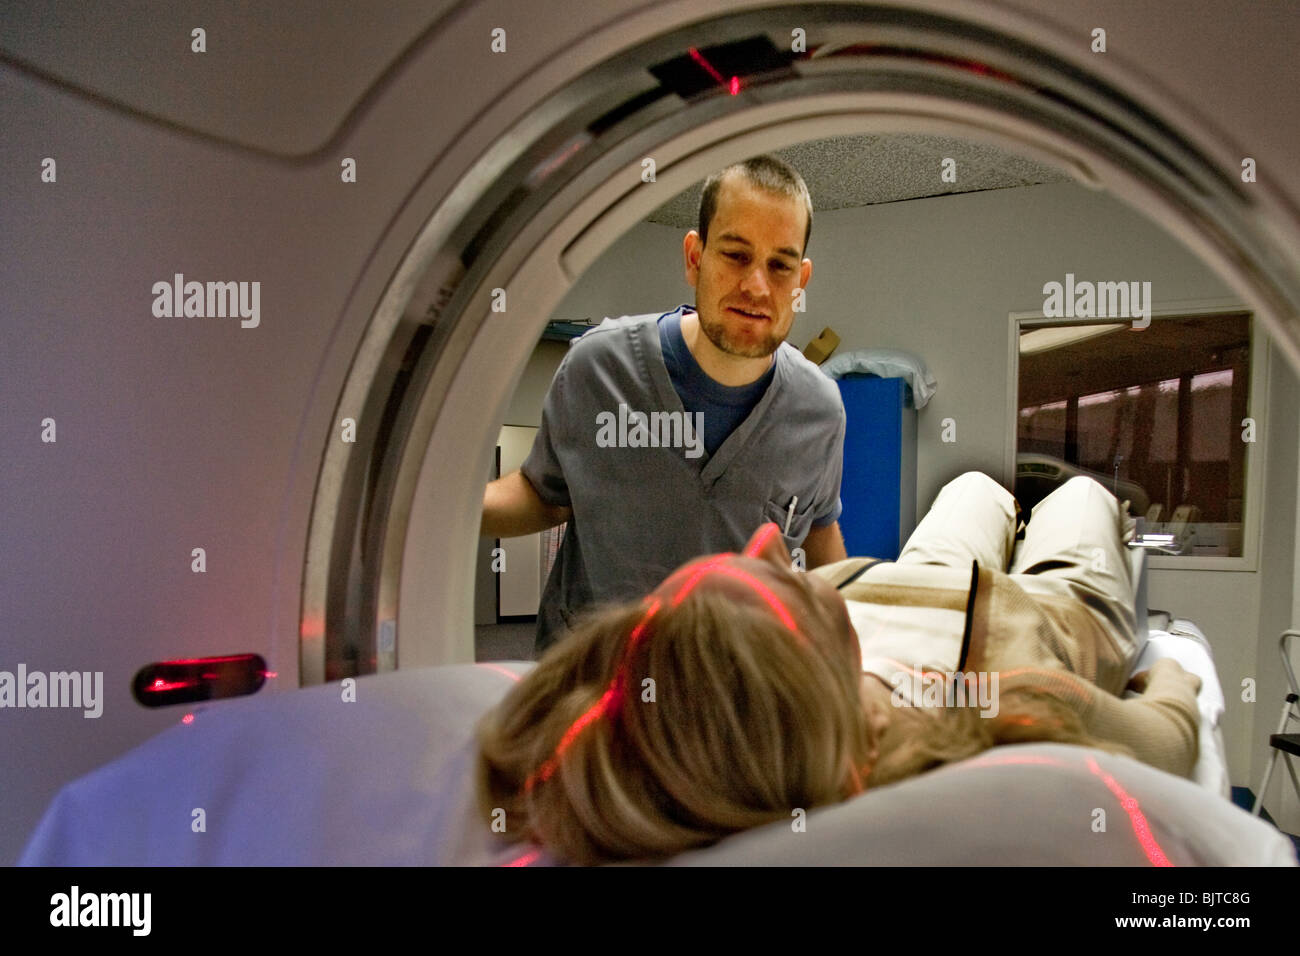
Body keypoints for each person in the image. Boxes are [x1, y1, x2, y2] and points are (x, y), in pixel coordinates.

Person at [476, 471, 1202, 864]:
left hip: (900, 576)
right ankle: (1056, 508)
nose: (768, 541)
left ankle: (1005, 501)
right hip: (1047, 606)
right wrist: (1172, 665)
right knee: (1082, 496)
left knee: (972, 487)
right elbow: (1166, 735)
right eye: (772, 587)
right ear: (804, 670)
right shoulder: (989, 703)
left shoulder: (771, 669)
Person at [481, 155, 848, 652]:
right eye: (736, 255)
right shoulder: (600, 368)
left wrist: (853, 651)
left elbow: (820, 534)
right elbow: (545, 496)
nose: (757, 286)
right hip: (591, 682)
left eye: (779, 266)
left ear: (800, 280)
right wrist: (438, 510)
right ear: (695, 258)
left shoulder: (818, 411)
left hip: (727, 693)